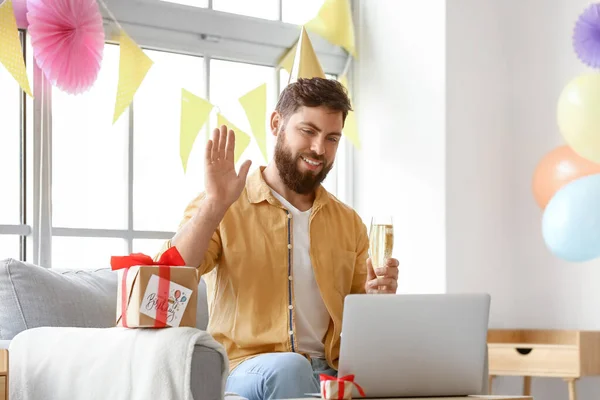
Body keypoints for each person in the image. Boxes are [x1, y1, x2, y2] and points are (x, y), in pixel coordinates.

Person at [159, 77, 399, 400]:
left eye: (331, 138)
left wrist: (378, 298)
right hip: (245, 368)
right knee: (291, 370)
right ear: (277, 124)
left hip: (328, 371)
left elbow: (361, 327)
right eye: (308, 131)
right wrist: (214, 206)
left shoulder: (348, 223)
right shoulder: (225, 204)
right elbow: (170, 274)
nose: (319, 149)